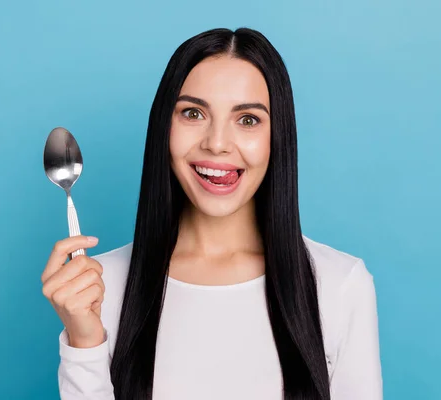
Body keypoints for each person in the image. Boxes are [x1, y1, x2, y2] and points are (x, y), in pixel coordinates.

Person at [41, 27, 383, 400]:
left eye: (248, 119)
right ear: (164, 128)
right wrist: (84, 342)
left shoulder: (340, 285)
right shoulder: (96, 289)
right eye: (193, 113)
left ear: (277, 136)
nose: (217, 144)